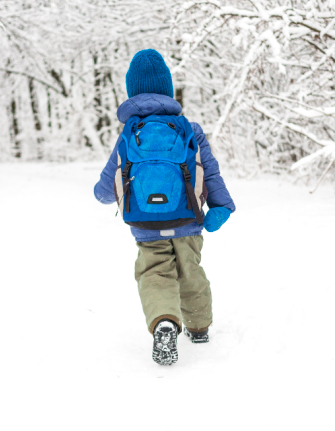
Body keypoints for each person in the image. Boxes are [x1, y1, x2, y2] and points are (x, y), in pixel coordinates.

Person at [93, 49, 235, 366]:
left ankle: (165, 322)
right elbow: (209, 171)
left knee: (155, 274)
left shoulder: (129, 134)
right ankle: (198, 329)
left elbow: (107, 185)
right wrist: (222, 205)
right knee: (190, 272)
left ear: (132, 91)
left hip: (145, 226)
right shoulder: (189, 129)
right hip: (188, 221)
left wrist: (103, 194)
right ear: (167, 89)